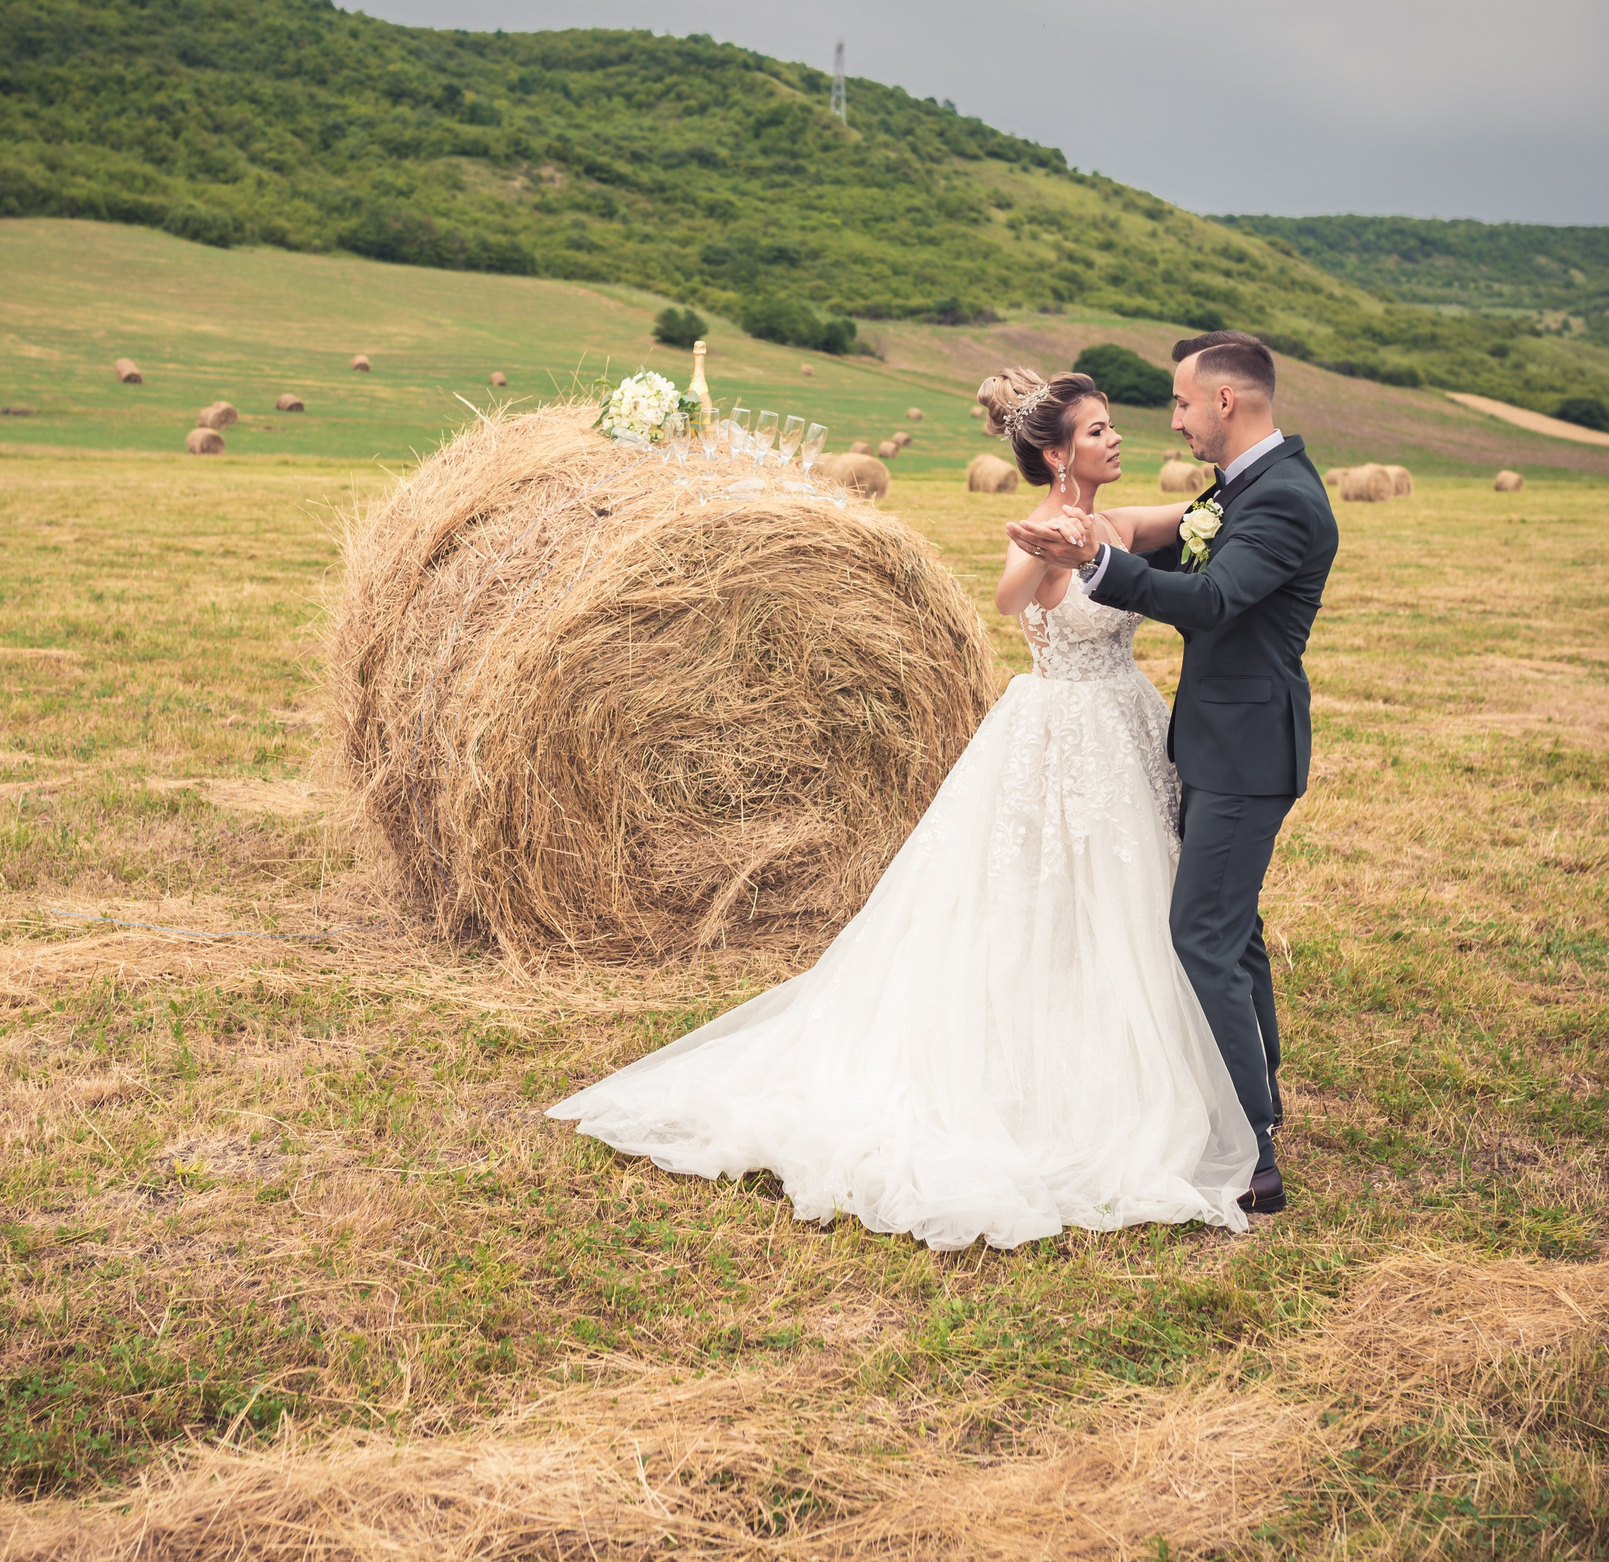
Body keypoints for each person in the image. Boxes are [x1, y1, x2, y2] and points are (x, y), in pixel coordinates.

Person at [548, 369, 1259, 1251]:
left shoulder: (1119, 524)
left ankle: (1169, 1067)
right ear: (1054, 452)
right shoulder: (1046, 531)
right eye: (1099, 431)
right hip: (1059, 725)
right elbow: (1008, 599)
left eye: (1115, 427)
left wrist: (1229, 492)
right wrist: (1043, 548)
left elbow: (1204, 517)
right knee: (1040, 894)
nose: (1117, 441)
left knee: (1130, 894)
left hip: (1122, 722)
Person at [1006, 330, 1336, 1214]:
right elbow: (1185, 559)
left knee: (1199, 933)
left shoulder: (1285, 501)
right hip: (1217, 743)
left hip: (1246, 752)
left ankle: (1253, 1151)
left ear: (1227, 401)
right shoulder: (1242, 488)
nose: (1176, 420)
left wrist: (1099, 564)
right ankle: (1258, 1086)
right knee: (1235, 930)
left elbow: (1215, 599)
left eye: (1184, 403)